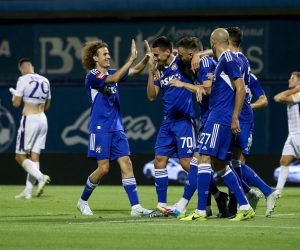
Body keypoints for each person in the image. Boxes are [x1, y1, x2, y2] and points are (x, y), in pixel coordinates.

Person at [181, 28, 254, 221]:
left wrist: (235, 117)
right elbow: (224, 87)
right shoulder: (226, 60)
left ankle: (201, 210)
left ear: (213, 41)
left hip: (220, 117)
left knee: (204, 158)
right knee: (219, 163)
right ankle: (245, 205)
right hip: (219, 115)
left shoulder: (228, 59)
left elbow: (240, 88)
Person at [77, 39, 152, 217]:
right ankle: (82, 201)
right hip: (100, 128)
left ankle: (136, 207)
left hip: (117, 128)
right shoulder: (92, 76)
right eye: (104, 54)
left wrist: (146, 58)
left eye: (108, 53)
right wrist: (132, 58)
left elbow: (135, 71)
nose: (108, 56)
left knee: (126, 163)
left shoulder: (111, 72)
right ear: (95, 57)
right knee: (104, 169)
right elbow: (115, 78)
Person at [167, 37, 229, 218]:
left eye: (181, 54)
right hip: (209, 117)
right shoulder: (198, 60)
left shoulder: (204, 63)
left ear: (191, 54)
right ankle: (211, 203)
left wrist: (184, 85)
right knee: (210, 164)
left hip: (214, 117)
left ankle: (184, 205)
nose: (179, 58)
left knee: (203, 163)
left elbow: (208, 89)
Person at [225, 27, 280, 217]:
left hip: (242, 119)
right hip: (235, 116)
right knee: (227, 163)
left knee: (232, 163)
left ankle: (258, 194)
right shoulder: (239, 64)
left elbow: (264, 99)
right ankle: (248, 197)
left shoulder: (243, 70)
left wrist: (246, 107)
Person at [147, 36, 197, 215]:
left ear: (168, 52)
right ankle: (162, 206)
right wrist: (151, 71)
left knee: (186, 164)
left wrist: (197, 55)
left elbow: (197, 53)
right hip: (168, 122)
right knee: (159, 160)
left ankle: (213, 194)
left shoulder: (181, 62)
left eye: (156, 54)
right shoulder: (160, 69)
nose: (154, 57)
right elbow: (152, 96)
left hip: (184, 121)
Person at [10, 58, 51, 199]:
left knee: (20, 156)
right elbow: (48, 104)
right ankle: (28, 191)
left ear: (22, 69)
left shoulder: (22, 79)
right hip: (43, 119)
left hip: (30, 119)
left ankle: (41, 177)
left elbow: (16, 103)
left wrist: (14, 97)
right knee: (34, 157)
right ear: (32, 66)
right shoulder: (45, 80)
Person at [274, 71, 300, 195]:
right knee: (284, 161)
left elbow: (279, 98)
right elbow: (276, 97)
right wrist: (295, 89)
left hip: (299, 134)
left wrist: (297, 90)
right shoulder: (297, 92)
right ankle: (278, 191)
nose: (289, 80)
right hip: (292, 134)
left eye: (292, 78)